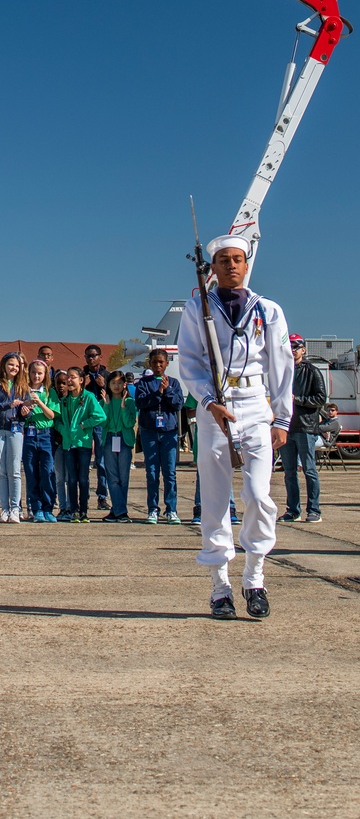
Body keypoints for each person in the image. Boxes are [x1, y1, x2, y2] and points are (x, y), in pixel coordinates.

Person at [177, 234, 293, 620]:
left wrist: (281, 417)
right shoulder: (198, 308)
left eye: (237, 259)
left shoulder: (269, 310)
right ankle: (220, 586)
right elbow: (190, 362)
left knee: (260, 496)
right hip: (215, 408)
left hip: (255, 406)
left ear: (247, 264)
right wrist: (209, 401)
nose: (230, 265)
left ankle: (255, 577)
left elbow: (280, 366)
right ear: (212, 268)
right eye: (223, 260)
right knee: (215, 498)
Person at [279, 333, 327, 523]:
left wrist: (297, 400)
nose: (293, 350)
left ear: (303, 350)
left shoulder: (312, 371)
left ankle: (314, 510)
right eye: (290, 346)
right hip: (285, 426)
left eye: (296, 346)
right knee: (289, 471)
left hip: (305, 426)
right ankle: (293, 509)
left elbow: (321, 398)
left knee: (309, 469)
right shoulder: (283, 370)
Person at [134, 349, 186, 524]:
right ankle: (152, 509)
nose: (158, 366)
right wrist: (157, 394)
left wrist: (167, 391)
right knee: (152, 472)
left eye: (161, 362)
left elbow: (178, 404)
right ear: (150, 364)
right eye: (154, 362)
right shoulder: (144, 383)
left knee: (169, 472)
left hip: (168, 432)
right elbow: (140, 402)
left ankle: (171, 509)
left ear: (167, 363)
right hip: (149, 431)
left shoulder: (174, 383)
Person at [0, 352, 30, 523]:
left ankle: (15, 509)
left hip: (15, 430)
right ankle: (4, 509)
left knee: (14, 471)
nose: (14, 368)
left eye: (17, 366)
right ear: (3, 364)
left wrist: (25, 412)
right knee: (0, 470)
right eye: (11, 364)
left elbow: (27, 410)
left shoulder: (22, 385)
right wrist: (8, 404)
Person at [54, 366, 106, 522]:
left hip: (83, 444)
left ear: (81, 380)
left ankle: (83, 510)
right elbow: (57, 420)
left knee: (83, 478)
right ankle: (73, 509)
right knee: (71, 479)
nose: (69, 380)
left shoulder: (89, 397)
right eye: (68, 377)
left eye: (73, 377)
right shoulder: (64, 401)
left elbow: (100, 416)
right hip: (68, 444)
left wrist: (85, 424)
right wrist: (63, 429)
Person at [21, 358, 59, 523]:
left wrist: (40, 402)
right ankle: (36, 509)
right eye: (34, 373)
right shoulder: (23, 391)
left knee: (47, 472)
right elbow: (19, 413)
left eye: (40, 373)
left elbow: (52, 415)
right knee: (31, 473)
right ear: (29, 374)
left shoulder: (50, 392)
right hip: (29, 434)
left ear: (45, 375)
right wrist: (24, 408)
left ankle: (48, 507)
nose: (36, 376)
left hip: (46, 434)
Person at [101, 370, 137, 522]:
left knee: (123, 478)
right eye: (113, 383)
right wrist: (107, 405)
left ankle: (117, 510)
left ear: (124, 385)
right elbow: (103, 422)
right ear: (109, 385)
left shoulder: (130, 402)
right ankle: (120, 511)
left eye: (119, 383)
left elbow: (129, 423)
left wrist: (122, 407)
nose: (116, 386)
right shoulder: (105, 401)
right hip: (109, 439)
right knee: (112, 477)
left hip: (124, 440)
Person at [83, 345, 111, 510]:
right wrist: (83, 386)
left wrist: (104, 386)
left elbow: (117, 395)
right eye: (88, 356)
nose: (91, 359)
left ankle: (102, 496)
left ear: (100, 357)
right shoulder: (81, 375)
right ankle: (83, 496)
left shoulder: (107, 375)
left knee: (101, 461)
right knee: (83, 460)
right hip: (85, 423)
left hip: (101, 422)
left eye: (94, 355)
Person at [51, 370, 71, 516]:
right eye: (59, 383)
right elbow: (54, 420)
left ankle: (70, 506)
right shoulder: (53, 399)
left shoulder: (73, 400)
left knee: (70, 478)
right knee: (59, 477)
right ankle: (62, 507)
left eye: (64, 383)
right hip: (57, 443)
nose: (61, 386)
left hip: (71, 444)